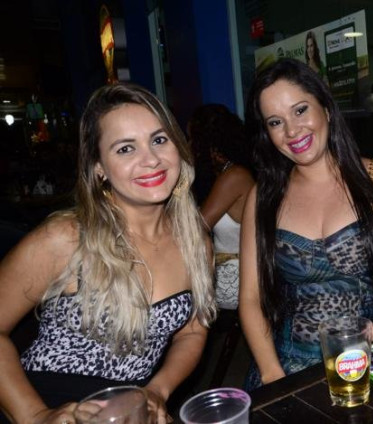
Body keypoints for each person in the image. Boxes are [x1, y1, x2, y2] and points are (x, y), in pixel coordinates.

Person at [0, 83, 216, 423]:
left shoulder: (196, 241)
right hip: (50, 402)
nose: (151, 159)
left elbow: (192, 332)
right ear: (98, 167)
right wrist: (36, 415)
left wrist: (157, 391)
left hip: (129, 409)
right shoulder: (68, 238)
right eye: (126, 148)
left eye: (159, 140)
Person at [239, 58, 373, 390]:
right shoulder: (263, 197)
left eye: (300, 110)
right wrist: (272, 375)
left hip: (371, 363)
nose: (291, 131)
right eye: (275, 122)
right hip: (288, 366)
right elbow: (250, 299)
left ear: (327, 108)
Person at [189, 103, 255, 310]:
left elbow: (195, 228)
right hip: (228, 273)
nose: (188, 146)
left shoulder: (234, 176)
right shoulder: (226, 175)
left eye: (192, 140)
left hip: (236, 279)